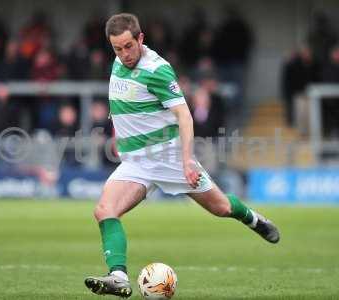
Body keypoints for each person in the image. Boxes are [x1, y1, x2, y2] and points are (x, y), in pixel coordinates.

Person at [84, 13, 280, 298]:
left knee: (221, 208)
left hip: (169, 158)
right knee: (104, 210)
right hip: (136, 162)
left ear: (140, 39)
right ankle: (118, 276)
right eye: (117, 48)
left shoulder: (157, 69)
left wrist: (187, 161)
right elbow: (122, 104)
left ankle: (252, 218)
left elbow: (185, 116)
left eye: (128, 46)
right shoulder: (118, 63)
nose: (124, 54)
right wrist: (119, 136)